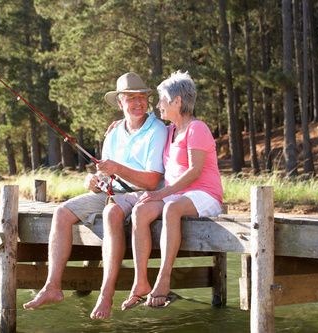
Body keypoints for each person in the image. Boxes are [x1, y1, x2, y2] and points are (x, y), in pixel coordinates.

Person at [23, 72, 168, 319]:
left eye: (141, 97)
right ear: (120, 103)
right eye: (131, 98)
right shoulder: (113, 133)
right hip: (112, 192)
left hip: (142, 195)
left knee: (111, 211)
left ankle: (106, 293)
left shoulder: (158, 130)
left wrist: (117, 170)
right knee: (62, 212)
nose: (138, 103)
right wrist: (93, 182)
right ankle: (52, 286)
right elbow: (106, 175)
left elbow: (153, 180)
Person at [121, 70, 223, 310]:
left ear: (177, 101)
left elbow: (195, 172)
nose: (157, 106)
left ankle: (163, 279)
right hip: (177, 195)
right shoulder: (168, 131)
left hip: (204, 194)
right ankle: (140, 281)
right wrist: (120, 124)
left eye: (161, 100)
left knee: (171, 210)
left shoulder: (197, 128)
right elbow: (142, 126)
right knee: (140, 211)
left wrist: (161, 194)